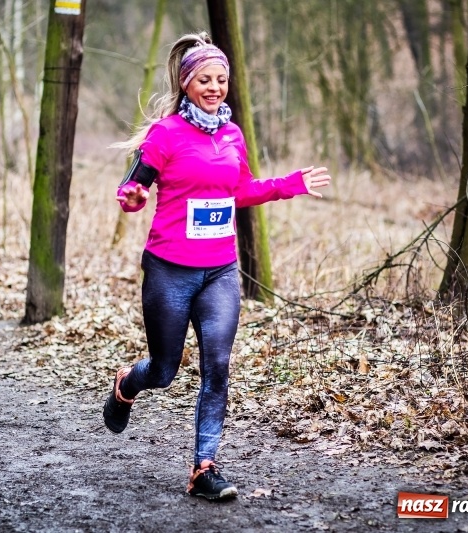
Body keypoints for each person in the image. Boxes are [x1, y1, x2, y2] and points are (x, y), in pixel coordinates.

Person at [103, 32, 331, 501]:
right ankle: (127, 383)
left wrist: (291, 184)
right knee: (165, 370)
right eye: (205, 79)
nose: (214, 87)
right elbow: (134, 188)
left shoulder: (232, 135)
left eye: (221, 79)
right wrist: (132, 198)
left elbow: (240, 192)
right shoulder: (165, 135)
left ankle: (203, 468)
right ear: (187, 84)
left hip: (220, 271)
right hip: (169, 269)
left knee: (218, 367)